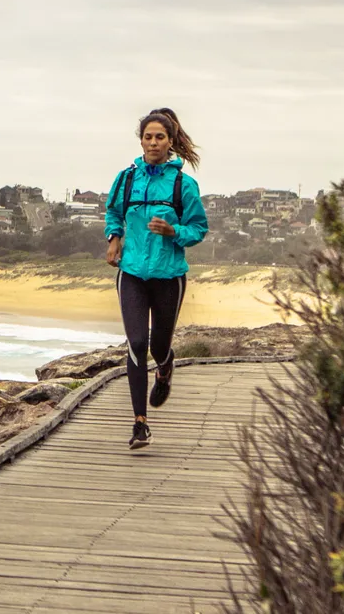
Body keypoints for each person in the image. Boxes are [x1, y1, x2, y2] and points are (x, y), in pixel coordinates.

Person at [103, 108, 209, 449]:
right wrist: (114, 239)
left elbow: (198, 229)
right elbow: (114, 212)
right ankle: (140, 423)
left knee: (159, 346)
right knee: (136, 344)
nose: (152, 143)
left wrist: (173, 230)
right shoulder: (127, 179)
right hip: (131, 272)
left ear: (170, 142)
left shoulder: (182, 184)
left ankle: (165, 367)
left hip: (169, 276)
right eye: (147, 137)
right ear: (141, 140)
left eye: (159, 137)